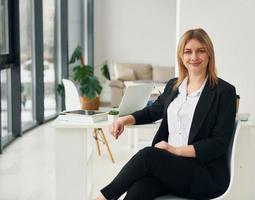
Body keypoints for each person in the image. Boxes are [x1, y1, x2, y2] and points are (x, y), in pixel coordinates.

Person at [96, 28, 237, 200]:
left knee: (148, 155)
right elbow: (153, 111)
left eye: (201, 51)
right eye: (188, 52)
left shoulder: (224, 92)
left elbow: (219, 143)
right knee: (138, 190)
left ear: (209, 54)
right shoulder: (173, 86)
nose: (194, 57)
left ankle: (103, 197)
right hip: (170, 168)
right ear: (181, 56)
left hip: (202, 173)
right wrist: (124, 120)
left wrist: (175, 150)